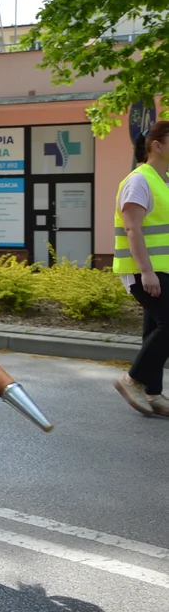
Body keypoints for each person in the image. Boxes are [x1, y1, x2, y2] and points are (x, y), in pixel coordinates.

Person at [112, 119, 169, 417]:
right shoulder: (139, 180)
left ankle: (154, 394)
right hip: (144, 270)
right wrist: (146, 272)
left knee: (154, 329)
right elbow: (132, 228)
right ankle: (131, 379)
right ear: (157, 146)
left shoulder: (164, 180)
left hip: (163, 269)